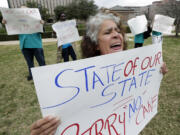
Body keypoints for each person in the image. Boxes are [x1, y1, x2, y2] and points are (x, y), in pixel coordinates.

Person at [30, 12, 168, 135]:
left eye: (118, 31)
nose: (116, 35)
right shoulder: (81, 82)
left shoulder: (134, 69)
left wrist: (156, 73)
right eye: (108, 32)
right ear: (95, 44)